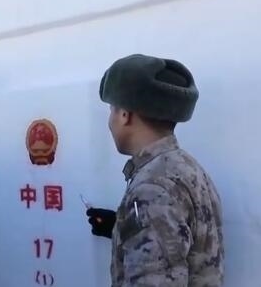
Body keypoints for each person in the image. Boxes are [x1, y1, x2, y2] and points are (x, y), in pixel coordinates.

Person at [86, 54, 224, 286]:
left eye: (112, 110)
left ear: (125, 115)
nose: (110, 121)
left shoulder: (152, 188)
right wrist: (123, 228)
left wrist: (142, 215)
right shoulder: (186, 167)